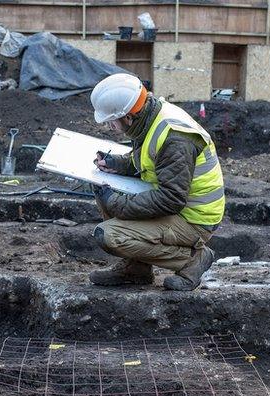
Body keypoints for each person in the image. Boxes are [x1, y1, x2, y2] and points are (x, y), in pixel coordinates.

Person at [88, 74, 225, 291]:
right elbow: (151, 162)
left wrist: (116, 204)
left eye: (111, 121)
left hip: (194, 219)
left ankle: (191, 261)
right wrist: (117, 165)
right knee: (104, 189)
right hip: (179, 206)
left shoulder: (174, 138)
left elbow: (171, 199)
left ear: (129, 117)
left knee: (109, 235)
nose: (109, 126)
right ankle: (136, 269)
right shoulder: (149, 117)